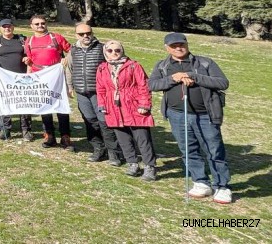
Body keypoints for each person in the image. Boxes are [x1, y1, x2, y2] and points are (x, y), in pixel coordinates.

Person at [149, 32, 232, 203]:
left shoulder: (204, 62)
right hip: (177, 115)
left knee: (214, 149)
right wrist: (173, 78)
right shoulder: (162, 66)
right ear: (167, 48)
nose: (178, 48)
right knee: (188, 149)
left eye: (181, 44)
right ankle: (201, 182)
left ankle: (222, 186)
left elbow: (222, 82)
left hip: (205, 115)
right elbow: (152, 84)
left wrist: (194, 77)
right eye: (174, 46)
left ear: (187, 44)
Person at [95, 40, 156, 181]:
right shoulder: (102, 68)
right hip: (113, 107)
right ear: (105, 52)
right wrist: (102, 104)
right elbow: (101, 89)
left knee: (142, 138)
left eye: (117, 50)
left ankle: (149, 166)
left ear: (122, 51)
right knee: (123, 138)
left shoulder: (134, 66)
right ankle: (132, 163)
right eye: (110, 51)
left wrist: (144, 104)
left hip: (133, 105)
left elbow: (143, 85)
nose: (114, 53)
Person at [68, 23, 122, 165]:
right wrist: (69, 86)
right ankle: (98, 148)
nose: (86, 36)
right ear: (76, 35)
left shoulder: (102, 48)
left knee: (105, 122)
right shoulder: (73, 50)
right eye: (81, 34)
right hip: (81, 92)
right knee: (90, 121)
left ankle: (114, 153)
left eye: (88, 33)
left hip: (100, 92)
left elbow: (117, 63)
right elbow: (69, 68)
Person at [23, 15, 73, 150]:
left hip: (56, 76)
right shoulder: (29, 41)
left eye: (42, 23)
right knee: (45, 107)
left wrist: (66, 59)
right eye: (37, 24)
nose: (40, 26)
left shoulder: (56, 37)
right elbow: (30, 60)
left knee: (60, 105)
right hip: (39, 77)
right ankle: (49, 135)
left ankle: (65, 136)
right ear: (31, 26)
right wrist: (28, 70)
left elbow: (72, 51)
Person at [0, 19, 33, 140]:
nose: (7, 28)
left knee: (24, 104)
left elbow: (29, 54)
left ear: (13, 27)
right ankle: (6, 129)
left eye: (9, 26)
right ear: (0, 28)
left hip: (22, 78)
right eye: (4, 27)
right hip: (4, 79)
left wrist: (27, 58)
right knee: (6, 103)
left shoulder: (22, 39)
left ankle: (26, 130)